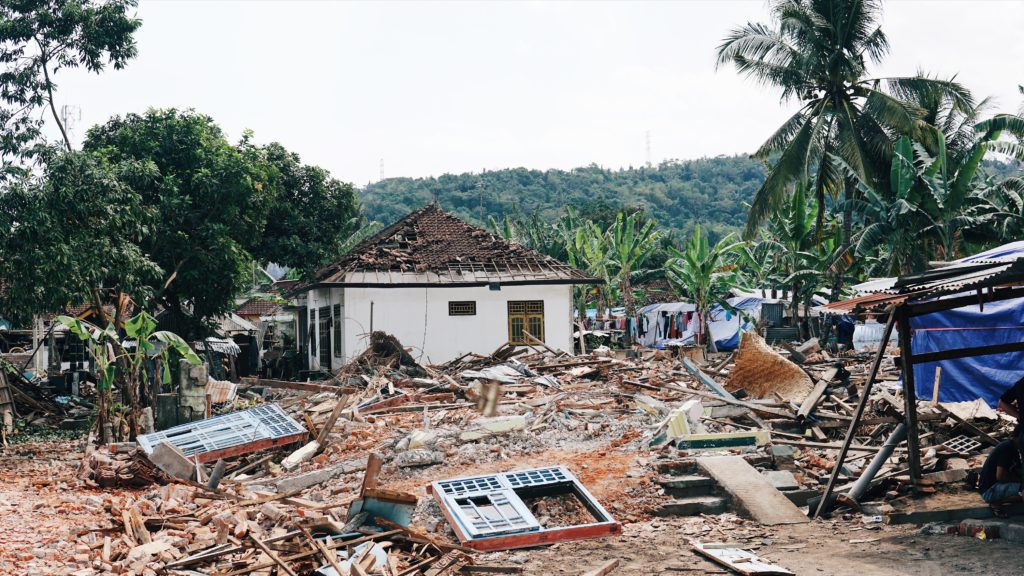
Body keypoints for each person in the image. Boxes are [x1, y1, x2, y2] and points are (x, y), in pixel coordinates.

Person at [978, 431, 1024, 516]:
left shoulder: (1015, 450)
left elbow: (1018, 471)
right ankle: (996, 502)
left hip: (994, 487)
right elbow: (1000, 476)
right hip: (989, 491)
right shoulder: (1007, 449)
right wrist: (1019, 481)